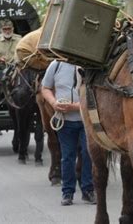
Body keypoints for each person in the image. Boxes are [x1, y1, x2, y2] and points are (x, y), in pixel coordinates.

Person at [41, 61, 95, 206]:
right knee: (67, 157)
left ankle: (88, 191)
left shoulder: (89, 63)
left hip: (86, 120)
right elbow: (45, 88)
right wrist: (54, 103)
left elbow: (95, 91)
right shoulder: (55, 65)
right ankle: (67, 193)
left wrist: (75, 106)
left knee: (88, 154)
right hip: (64, 121)